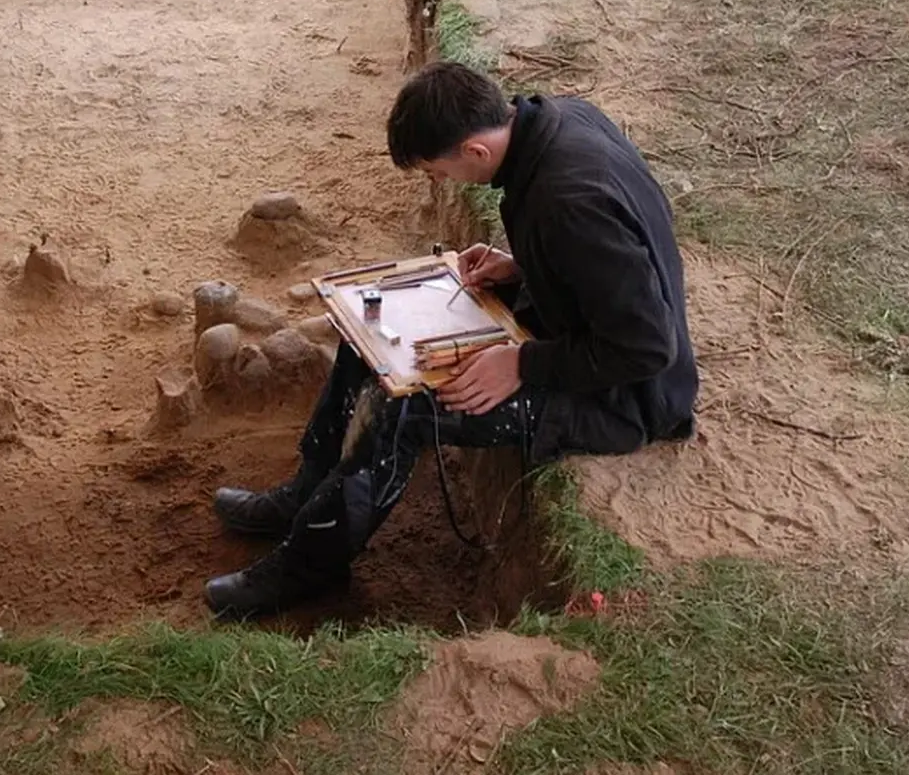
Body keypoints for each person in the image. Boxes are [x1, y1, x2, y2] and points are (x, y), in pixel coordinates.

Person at [202, 61, 699, 619]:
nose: (439, 184)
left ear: (476, 151)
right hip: (577, 330)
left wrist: (522, 364)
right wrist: (524, 268)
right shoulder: (558, 123)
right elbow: (608, 259)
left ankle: (310, 566)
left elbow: (647, 347)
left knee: (404, 411)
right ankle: (306, 495)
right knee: (365, 333)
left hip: (622, 394)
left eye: (438, 172)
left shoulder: (569, 202)